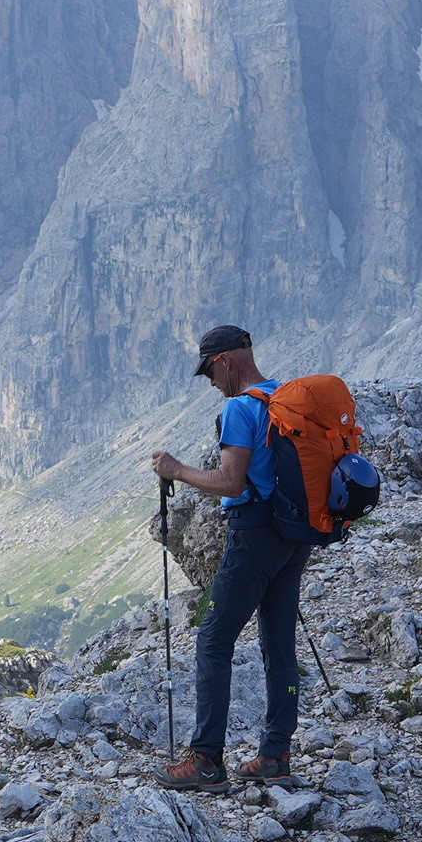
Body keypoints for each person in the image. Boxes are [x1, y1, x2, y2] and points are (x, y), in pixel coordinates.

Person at [148, 322, 307, 792]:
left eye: (209, 373)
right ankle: (275, 755)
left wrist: (175, 469)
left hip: (255, 533)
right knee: (279, 644)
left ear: (223, 362)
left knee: (214, 641)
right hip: (293, 534)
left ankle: (206, 761)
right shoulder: (284, 397)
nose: (211, 384)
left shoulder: (241, 408)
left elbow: (231, 482)